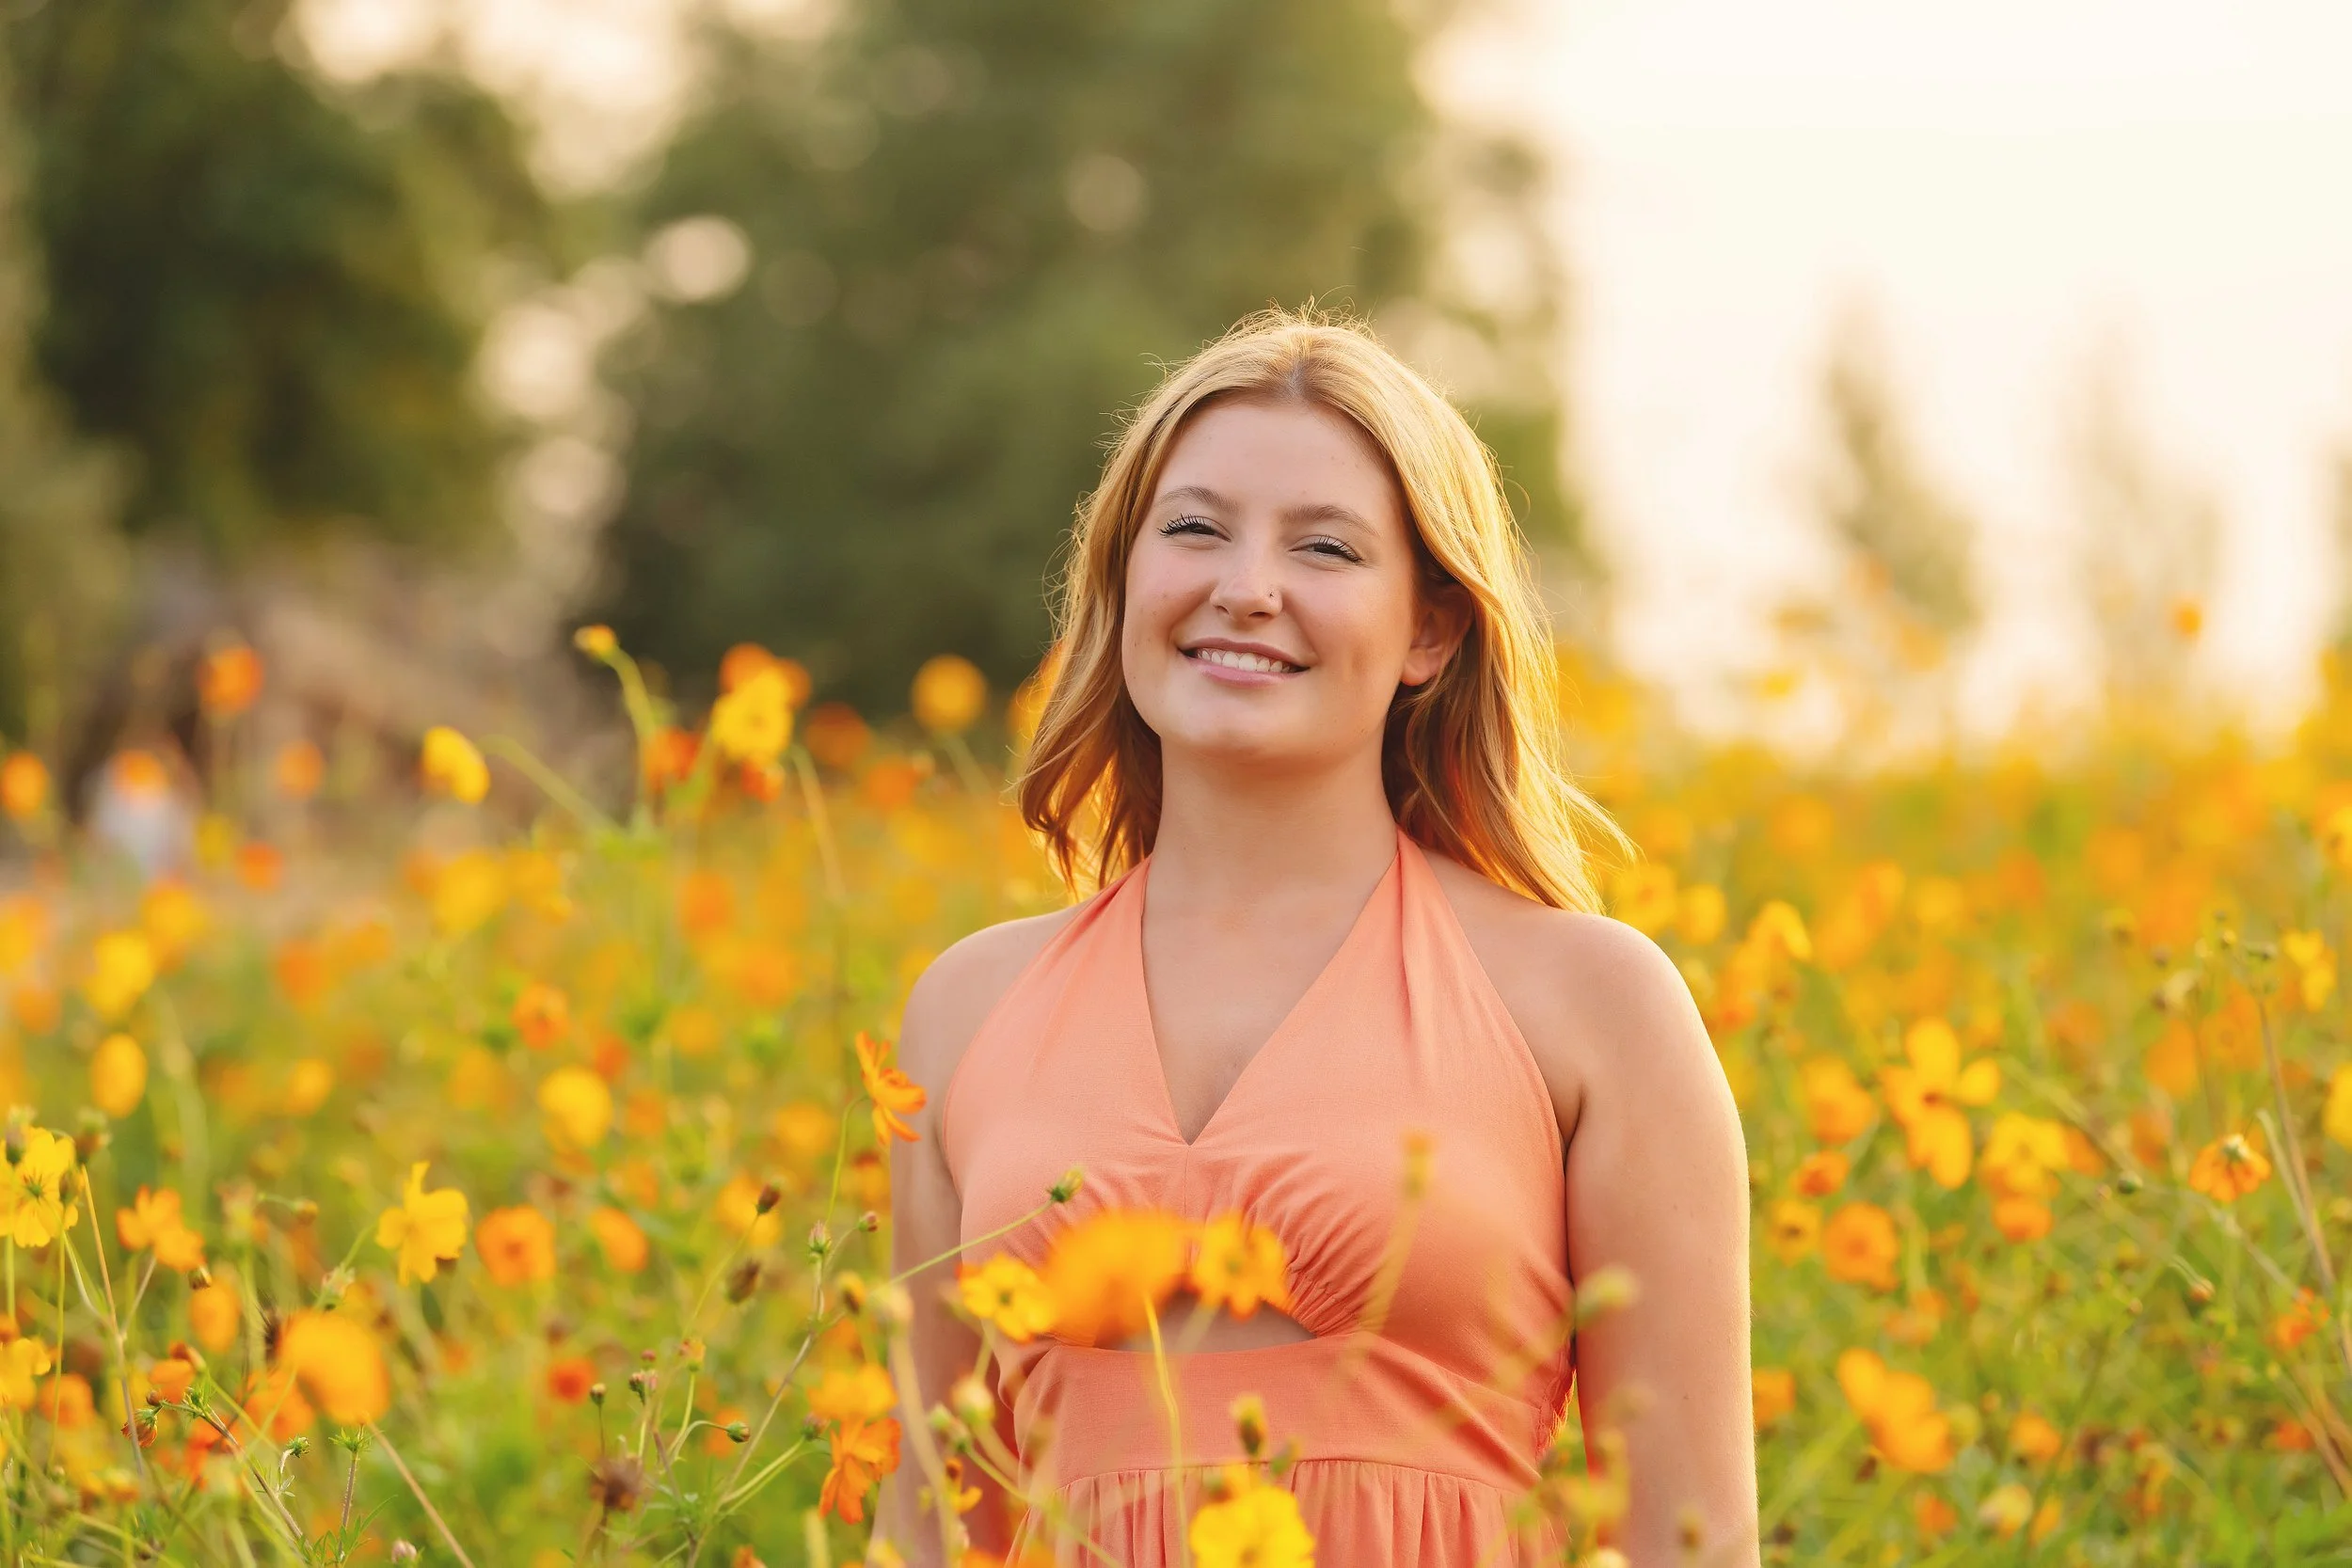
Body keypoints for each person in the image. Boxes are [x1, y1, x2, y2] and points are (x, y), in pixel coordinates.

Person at [882, 309, 1756, 1565]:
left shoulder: (1591, 1004)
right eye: (1193, 528)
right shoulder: (964, 1010)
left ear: (1430, 630)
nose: (1247, 586)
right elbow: (928, 1523)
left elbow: (1694, 1543)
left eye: (1326, 546)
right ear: (1124, 579)